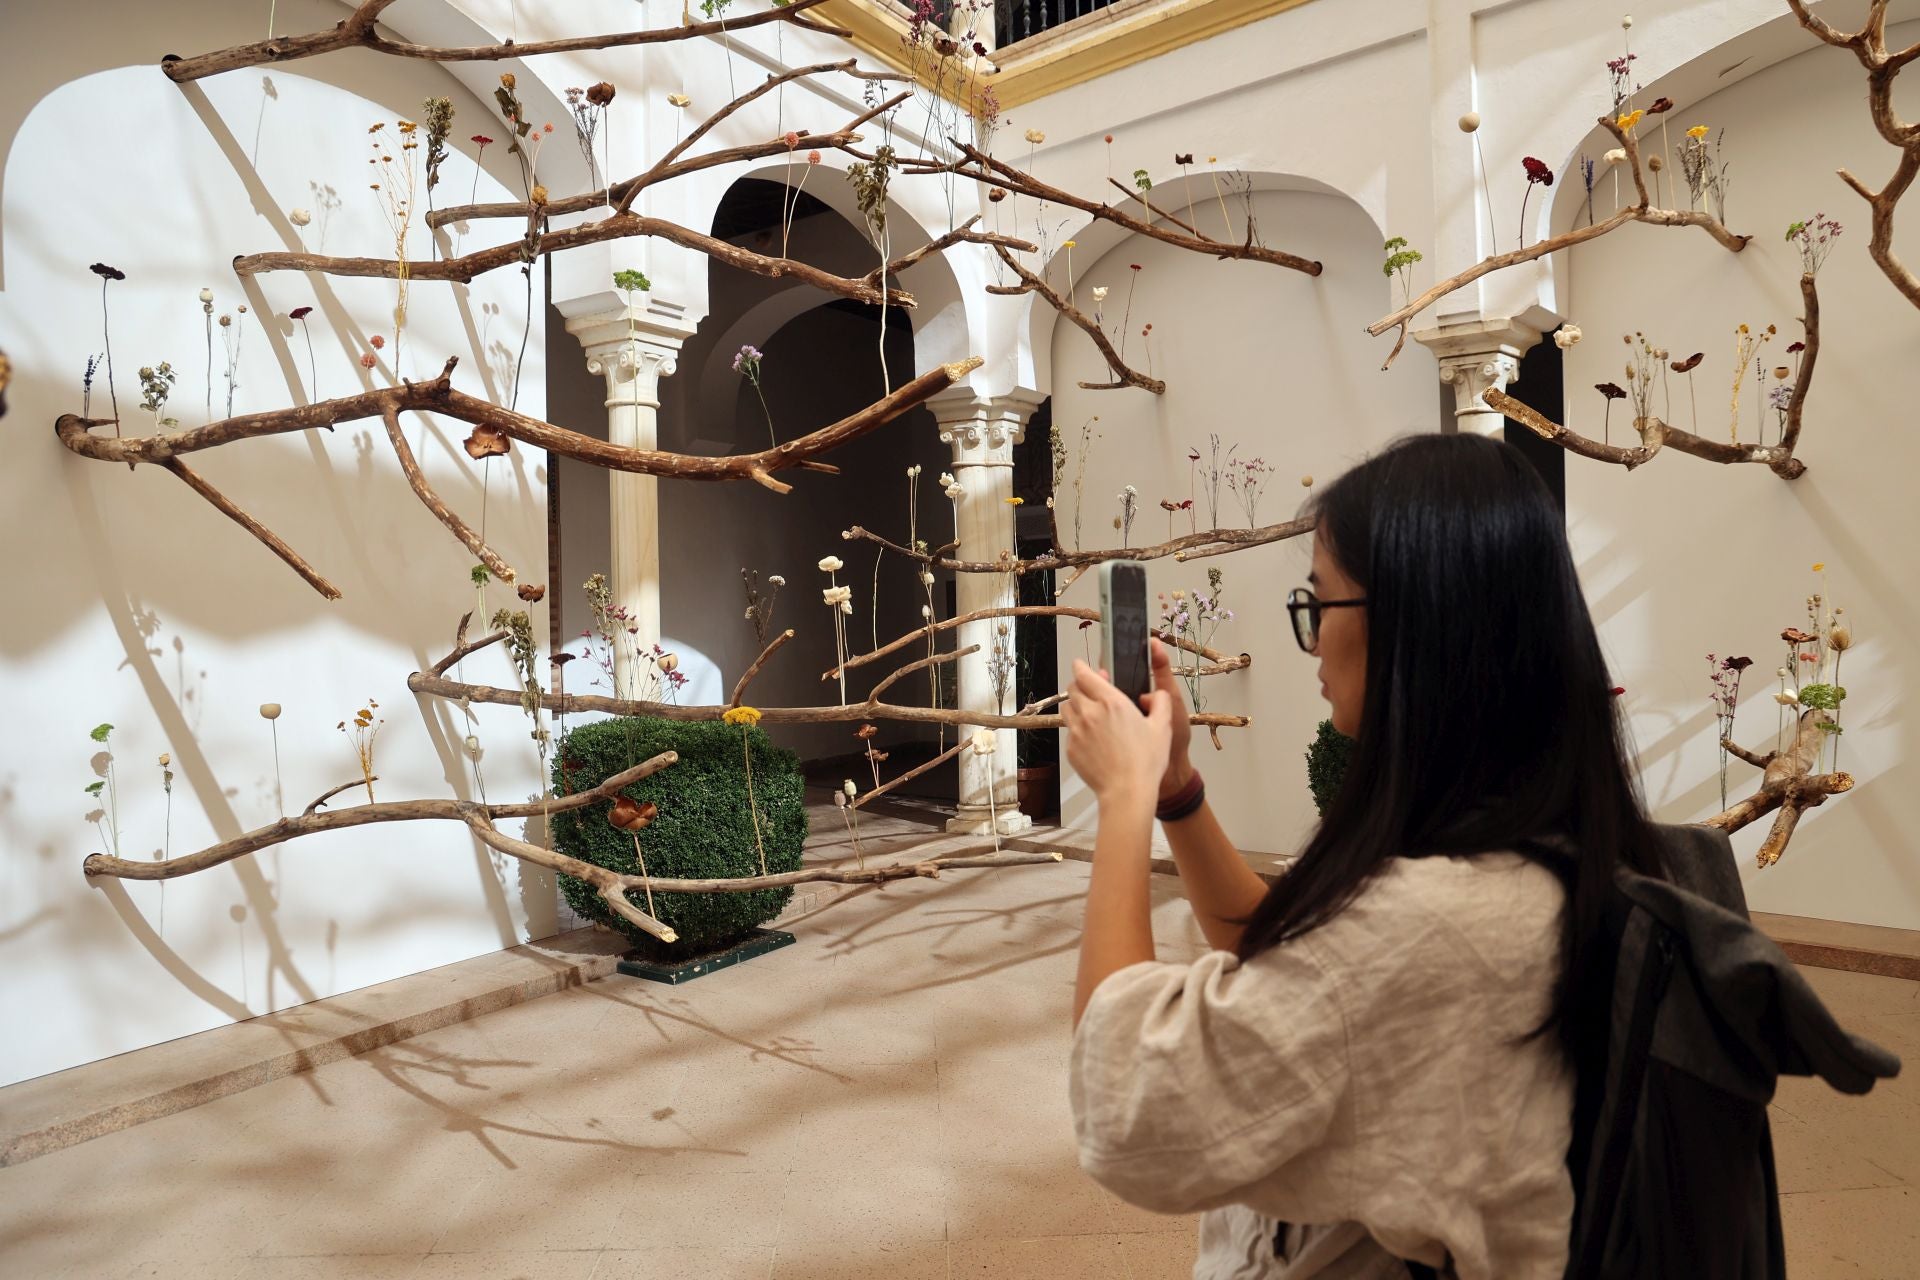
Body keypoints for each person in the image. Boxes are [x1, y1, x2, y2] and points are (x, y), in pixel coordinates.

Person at [1061, 433, 1670, 1279]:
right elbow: (1285, 952)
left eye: (1320, 605)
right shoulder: (1535, 844)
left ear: (1418, 622)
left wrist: (1120, 802)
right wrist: (1174, 793)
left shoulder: (1433, 921)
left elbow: (1128, 1104)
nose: (1311, 643)